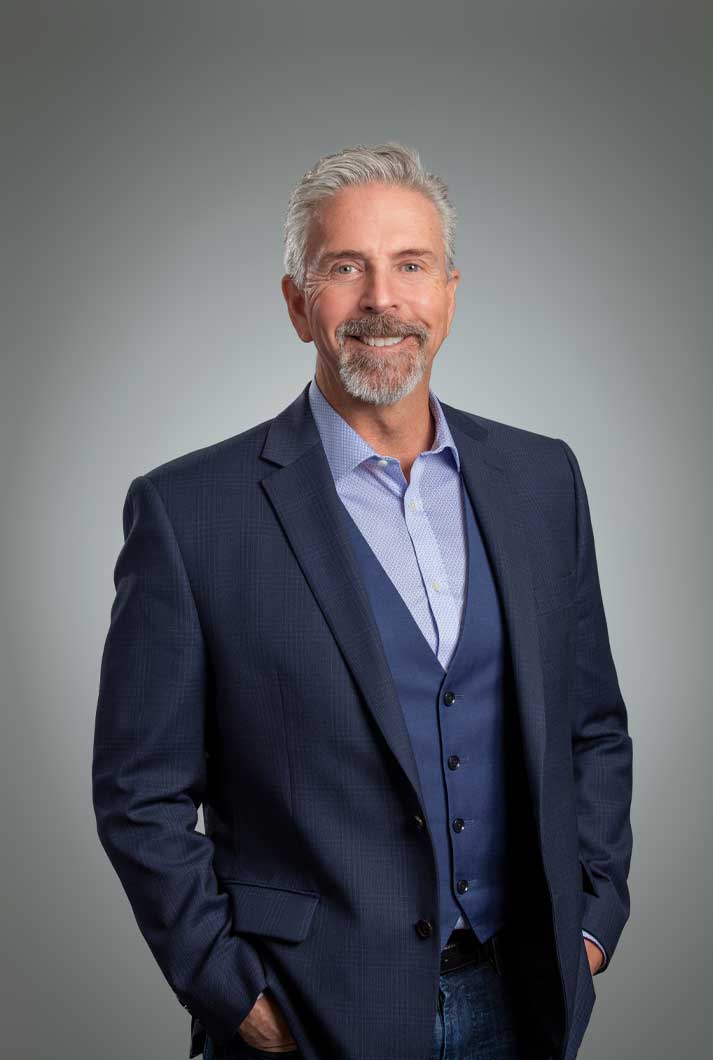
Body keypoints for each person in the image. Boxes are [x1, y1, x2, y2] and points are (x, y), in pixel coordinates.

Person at [92, 142, 633, 1060]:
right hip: (308, 1013)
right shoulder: (189, 512)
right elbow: (138, 795)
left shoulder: (542, 479)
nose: (382, 299)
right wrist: (236, 993)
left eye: (410, 265)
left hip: (524, 995)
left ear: (449, 296)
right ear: (299, 304)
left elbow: (591, 727)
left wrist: (591, 918)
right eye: (346, 268)